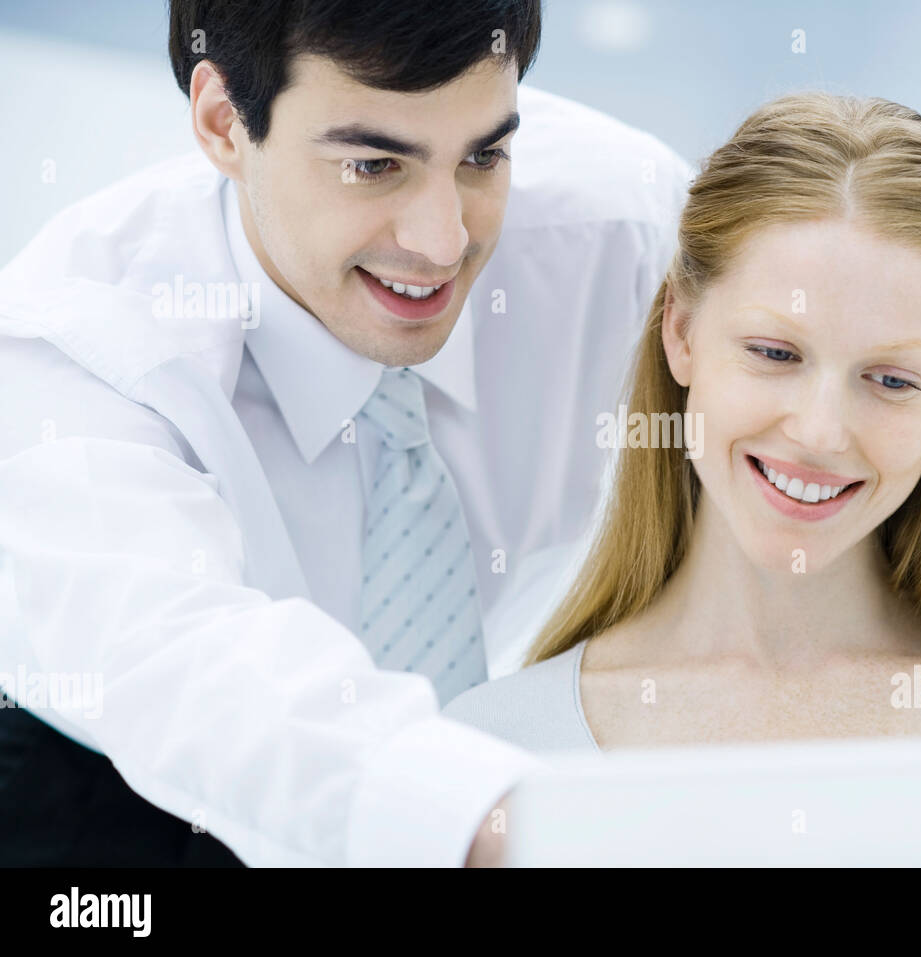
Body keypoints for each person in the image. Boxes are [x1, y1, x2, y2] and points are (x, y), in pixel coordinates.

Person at [0, 0, 691, 865]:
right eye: (373, 164)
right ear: (223, 124)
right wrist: (489, 822)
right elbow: (179, 659)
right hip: (128, 800)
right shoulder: (83, 342)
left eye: (484, 155)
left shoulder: (627, 234)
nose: (444, 242)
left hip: (527, 754)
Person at [443, 92, 921, 752]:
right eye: (775, 353)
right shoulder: (493, 749)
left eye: (892, 380)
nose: (819, 431)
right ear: (680, 331)